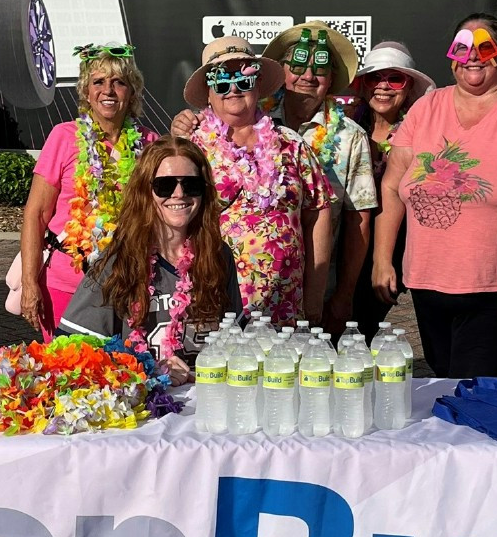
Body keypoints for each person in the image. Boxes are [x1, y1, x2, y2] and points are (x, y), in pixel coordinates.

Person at [372, 11, 497, 378]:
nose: (472, 55)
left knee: (470, 386)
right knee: (443, 379)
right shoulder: (426, 107)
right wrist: (382, 260)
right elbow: (393, 185)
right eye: (462, 47)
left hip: (492, 284)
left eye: (484, 47)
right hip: (427, 283)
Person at [173, 34, 334, 326]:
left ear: (258, 85)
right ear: (208, 93)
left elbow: (319, 212)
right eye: (221, 82)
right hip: (216, 304)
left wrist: (313, 298)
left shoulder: (291, 144)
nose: (233, 89)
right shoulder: (191, 149)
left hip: (286, 306)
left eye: (243, 79)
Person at [61, 138, 242, 381]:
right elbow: (71, 352)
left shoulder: (218, 255)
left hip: (208, 402)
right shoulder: (117, 262)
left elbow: (238, 342)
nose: (179, 194)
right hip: (143, 410)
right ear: (145, 191)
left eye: (191, 184)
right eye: (164, 186)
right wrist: (147, 369)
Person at [20, 46, 155, 336]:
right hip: (65, 284)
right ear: (86, 91)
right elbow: (36, 214)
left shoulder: (150, 144)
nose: (108, 90)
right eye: (99, 82)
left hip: (127, 283)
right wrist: (29, 283)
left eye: (119, 82)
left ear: (131, 92)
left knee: (124, 372)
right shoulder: (63, 136)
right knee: (65, 370)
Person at [259, 21, 377, 339]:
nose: (308, 76)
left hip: (319, 295)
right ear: (281, 71)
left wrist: (344, 296)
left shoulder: (351, 137)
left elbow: (359, 221)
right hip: (254, 292)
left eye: (319, 69)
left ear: (332, 79)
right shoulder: (252, 125)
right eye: (297, 65)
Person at [346, 40, 434, 340]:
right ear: (363, 84)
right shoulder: (342, 127)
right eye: (374, 78)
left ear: (408, 87)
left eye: (394, 79)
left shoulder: (424, 132)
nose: (383, 87)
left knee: (364, 324)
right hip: (349, 238)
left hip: (397, 242)